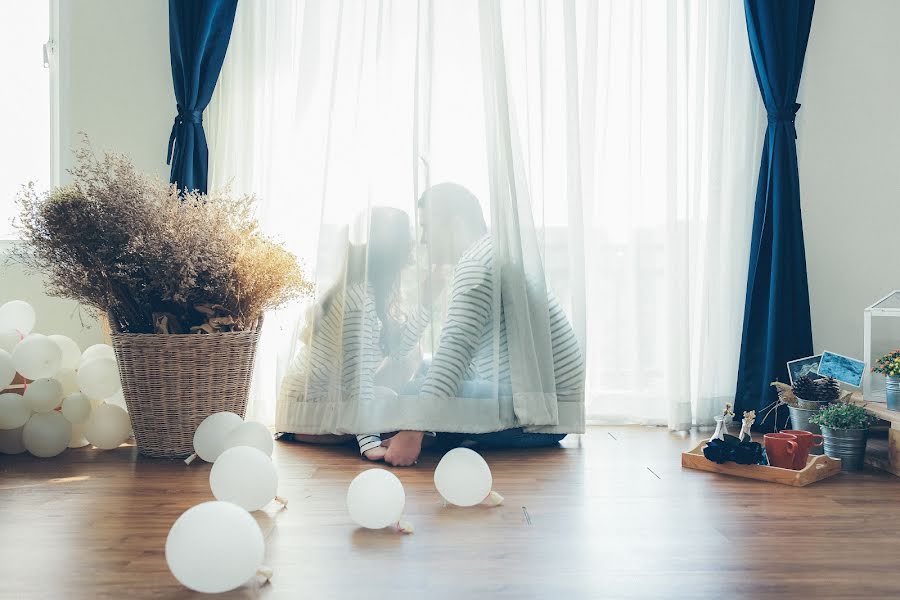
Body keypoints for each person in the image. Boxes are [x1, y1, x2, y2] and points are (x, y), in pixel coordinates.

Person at [382, 183, 585, 466]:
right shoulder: (490, 252)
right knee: (427, 369)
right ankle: (443, 433)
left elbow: (456, 350)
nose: (424, 240)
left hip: (537, 420)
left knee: (409, 395)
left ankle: (432, 432)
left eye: (428, 228)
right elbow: (455, 354)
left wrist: (412, 428)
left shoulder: (476, 264)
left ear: (454, 224)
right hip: (550, 407)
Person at [277, 207, 428, 460]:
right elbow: (356, 377)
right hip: (306, 409)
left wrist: (425, 301)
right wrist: (369, 444)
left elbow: (400, 350)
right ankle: (350, 434)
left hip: (324, 398)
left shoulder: (372, 291)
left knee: (401, 381)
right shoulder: (359, 300)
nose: (413, 248)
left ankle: (366, 430)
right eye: (408, 241)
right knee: (392, 404)